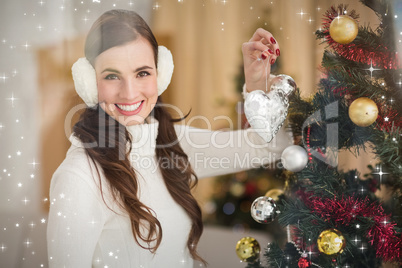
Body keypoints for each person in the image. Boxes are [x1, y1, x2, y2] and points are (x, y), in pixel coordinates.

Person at [47, 9, 293, 268]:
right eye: (111, 76)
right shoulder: (78, 176)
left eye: (142, 73)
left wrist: (256, 88)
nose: (130, 93)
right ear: (88, 82)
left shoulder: (170, 142)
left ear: (160, 74)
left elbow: (268, 147)